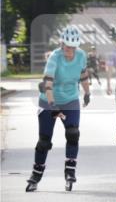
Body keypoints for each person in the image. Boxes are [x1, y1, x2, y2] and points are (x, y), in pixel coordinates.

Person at [26, 26, 91, 192]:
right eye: (67, 47)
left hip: (70, 100)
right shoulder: (55, 57)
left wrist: (87, 92)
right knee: (44, 141)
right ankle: (36, 174)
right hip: (49, 100)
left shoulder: (81, 55)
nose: (70, 51)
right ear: (62, 44)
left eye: (73, 48)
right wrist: (53, 106)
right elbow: (47, 84)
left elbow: (83, 75)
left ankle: (70, 171)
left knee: (73, 133)